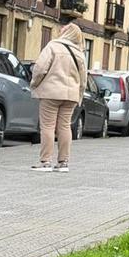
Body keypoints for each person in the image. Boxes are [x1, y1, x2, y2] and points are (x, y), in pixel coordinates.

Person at [29, 24, 87, 172]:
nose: (61, 29)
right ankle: (63, 163)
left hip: (51, 92)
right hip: (71, 95)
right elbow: (84, 79)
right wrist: (79, 94)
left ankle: (45, 161)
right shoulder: (80, 52)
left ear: (67, 32)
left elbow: (40, 68)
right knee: (65, 126)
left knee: (48, 126)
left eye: (64, 28)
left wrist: (34, 83)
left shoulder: (53, 46)